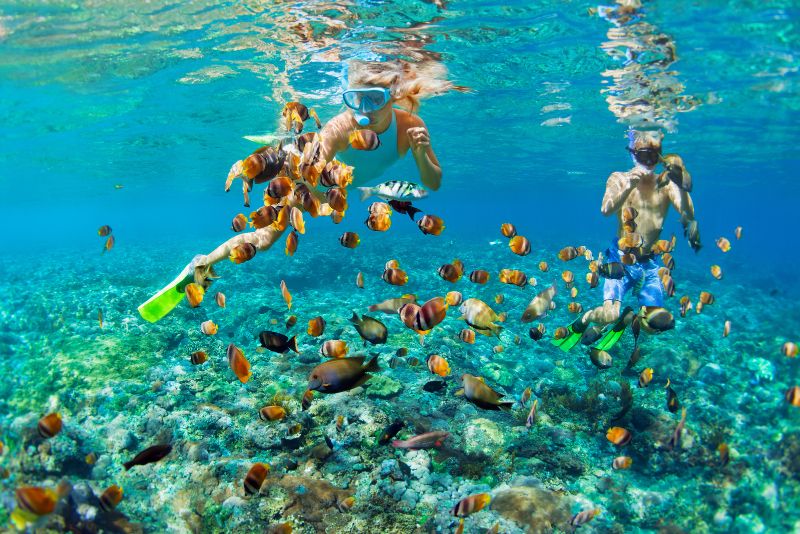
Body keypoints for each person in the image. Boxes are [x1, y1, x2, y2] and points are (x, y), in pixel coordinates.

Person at [138, 59, 461, 323]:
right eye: (355, 98)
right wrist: (310, 202)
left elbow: (432, 183)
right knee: (264, 240)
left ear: (393, 95)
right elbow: (311, 170)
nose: (364, 108)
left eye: (374, 99)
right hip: (310, 180)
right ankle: (201, 263)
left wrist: (420, 153)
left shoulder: (409, 126)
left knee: (269, 238)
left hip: (339, 191)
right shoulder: (341, 126)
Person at [552, 129, 701, 352]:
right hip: (621, 259)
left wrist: (682, 184)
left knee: (652, 325)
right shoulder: (618, 178)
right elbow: (605, 209)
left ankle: (628, 318)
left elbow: (687, 213)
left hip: (650, 263)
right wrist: (629, 186)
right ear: (632, 153)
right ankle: (584, 321)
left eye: (654, 155)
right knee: (608, 314)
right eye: (643, 155)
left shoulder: (667, 184)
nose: (649, 162)